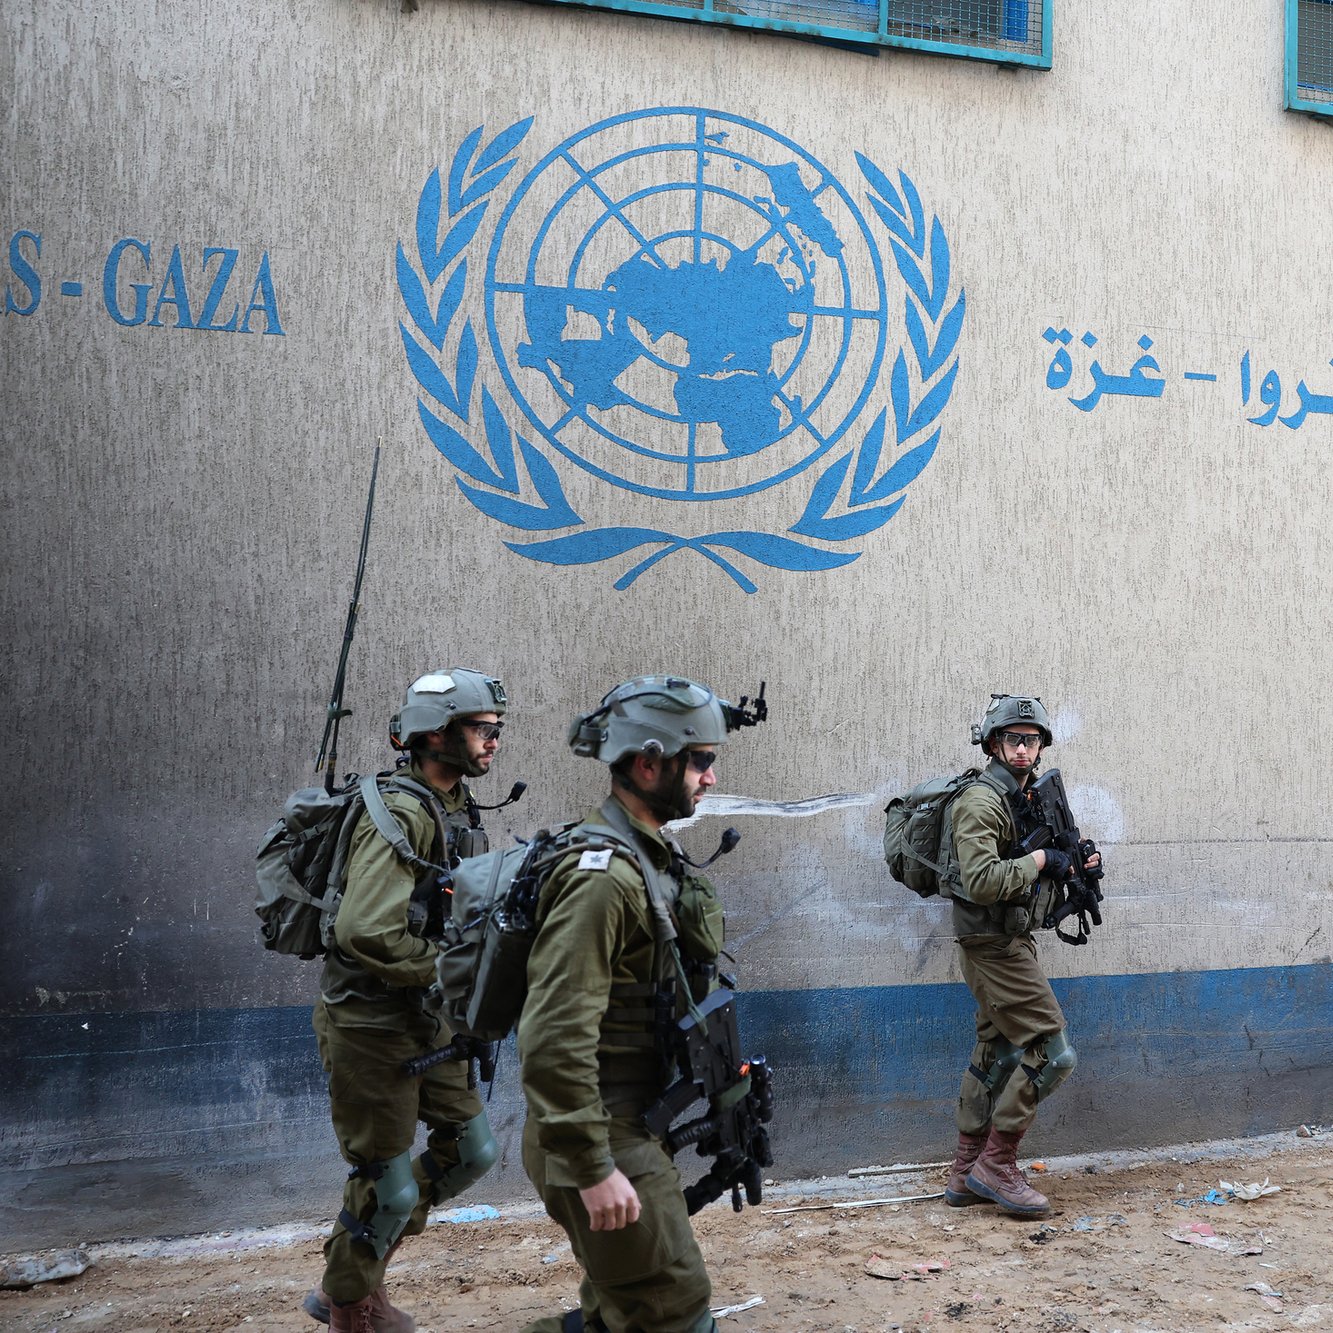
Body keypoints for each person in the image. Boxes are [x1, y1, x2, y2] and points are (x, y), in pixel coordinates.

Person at [518, 675, 762, 1333]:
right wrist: (592, 1165)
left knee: (624, 1306)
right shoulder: (603, 878)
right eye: (700, 760)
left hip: (625, 1119)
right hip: (594, 1129)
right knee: (673, 1307)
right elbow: (550, 1036)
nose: (710, 777)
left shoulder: (648, 857)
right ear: (649, 763)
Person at [305, 668, 509, 1333]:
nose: (493, 742)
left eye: (495, 730)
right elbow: (364, 928)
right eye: (482, 729)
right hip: (371, 1023)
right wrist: (447, 973)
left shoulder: (450, 804)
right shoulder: (400, 809)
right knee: (385, 1185)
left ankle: (358, 1273)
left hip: (426, 1016)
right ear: (435, 734)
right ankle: (348, 1308)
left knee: (470, 1149)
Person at [943, 693, 1099, 1218]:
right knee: (1053, 1054)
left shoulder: (1025, 796)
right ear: (993, 743)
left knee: (998, 1050)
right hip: (992, 944)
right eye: (1014, 739)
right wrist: (1040, 858)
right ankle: (997, 1164)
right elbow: (983, 880)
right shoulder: (982, 801)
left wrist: (1075, 864)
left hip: (1008, 938)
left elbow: (1041, 864)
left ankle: (965, 1171)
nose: (1023, 749)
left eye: (1032, 740)